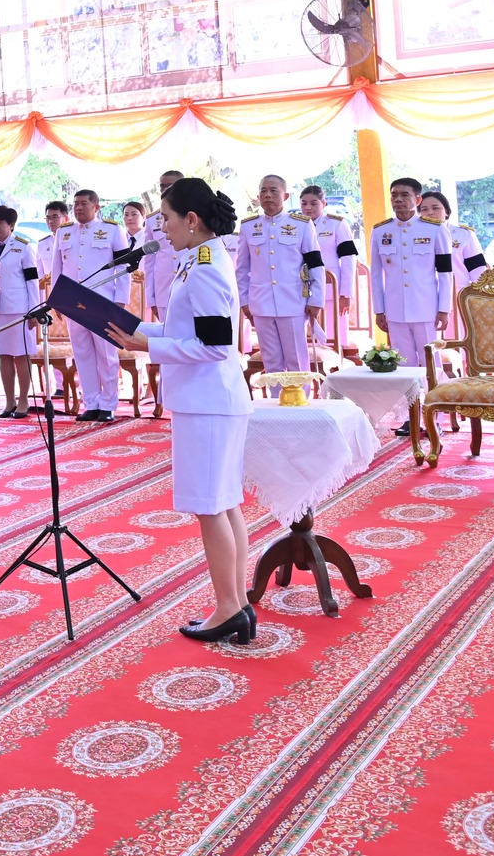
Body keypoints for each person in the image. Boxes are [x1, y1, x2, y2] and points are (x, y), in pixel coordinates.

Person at [109, 178, 253, 643]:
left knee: (212, 508)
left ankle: (228, 606)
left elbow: (214, 346)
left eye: (167, 220)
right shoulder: (198, 260)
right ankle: (238, 604)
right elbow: (185, 328)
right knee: (224, 504)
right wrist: (138, 330)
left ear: (191, 220)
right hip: (209, 401)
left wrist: (149, 345)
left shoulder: (207, 266)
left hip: (208, 402)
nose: (162, 230)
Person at [48, 188, 134, 422]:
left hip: (103, 301)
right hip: (73, 302)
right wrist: (56, 298)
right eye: (75, 204)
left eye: (84, 204)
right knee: (83, 353)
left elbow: (123, 267)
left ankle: (108, 404)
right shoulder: (64, 232)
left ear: (96, 207)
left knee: (106, 354)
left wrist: (121, 300)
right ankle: (92, 403)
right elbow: (56, 268)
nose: (78, 208)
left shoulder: (112, 229)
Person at [237, 173, 324, 374]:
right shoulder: (249, 226)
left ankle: (302, 402)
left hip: (293, 302)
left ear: (285, 196)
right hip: (260, 304)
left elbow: (315, 264)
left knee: (296, 358)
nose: (267, 195)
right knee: (271, 361)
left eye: (273, 190)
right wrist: (244, 302)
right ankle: (276, 403)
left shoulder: (301, 224)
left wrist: (316, 300)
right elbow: (241, 268)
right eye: (263, 191)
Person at [369, 176, 453, 376]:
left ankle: (435, 407)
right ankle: (409, 408)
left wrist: (444, 309)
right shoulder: (381, 230)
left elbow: (445, 273)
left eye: (404, 195)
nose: (398, 199)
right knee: (403, 366)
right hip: (395, 309)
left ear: (417, 200)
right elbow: (375, 274)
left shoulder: (434, 229)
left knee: (430, 364)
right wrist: (379, 310)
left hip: (426, 309)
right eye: (394, 195)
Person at [0, 206, 40, 417]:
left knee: (21, 355)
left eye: (0, 223)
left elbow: (32, 281)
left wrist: (35, 311)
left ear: (11, 226)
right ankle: (9, 401)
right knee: (3, 356)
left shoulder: (23, 247)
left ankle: (24, 400)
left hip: (20, 310)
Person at [299, 185, 356, 350]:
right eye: (304, 203)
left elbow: (348, 259)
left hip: (331, 289)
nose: (308, 207)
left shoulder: (336, 224)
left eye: (313, 203)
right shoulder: (296, 225)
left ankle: (335, 369)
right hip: (301, 288)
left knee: (333, 337)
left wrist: (346, 293)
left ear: (324, 203)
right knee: (303, 340)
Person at [417, 190, 487, 295]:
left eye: (436, 208)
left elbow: (478, 273)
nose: (430, 212)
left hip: (457, 296)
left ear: (447, 212)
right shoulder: (414, 237)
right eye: (424, 209)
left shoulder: (464, 235)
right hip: (425, 297)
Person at [142, 170, 185, 320]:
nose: (166, 190)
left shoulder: (194, 215)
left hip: (188, 287)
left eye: (171, 185)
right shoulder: (152, 220)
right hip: (163, 290)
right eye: (162, 186)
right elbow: (149, 261)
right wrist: (151, 297)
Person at [38, 199, 70, 294]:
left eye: (55, 217)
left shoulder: (74, 240)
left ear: (66, 218)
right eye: (48, 217)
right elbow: (40, 274)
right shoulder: (42, 244)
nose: (50, 221)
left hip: (70, 290)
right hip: (50, 293)